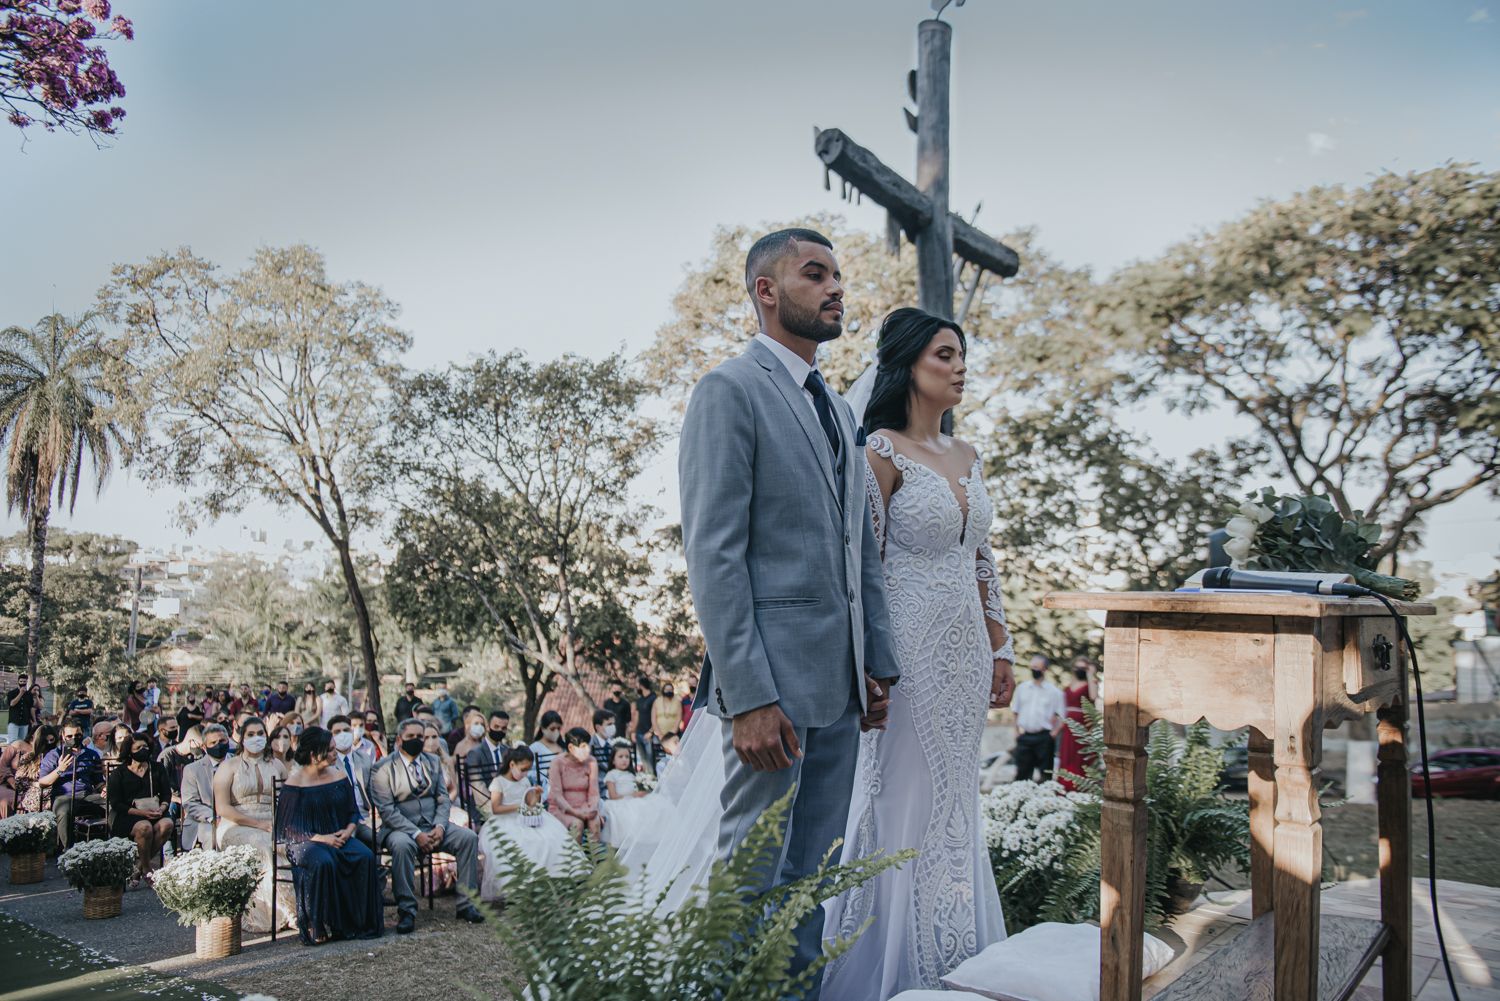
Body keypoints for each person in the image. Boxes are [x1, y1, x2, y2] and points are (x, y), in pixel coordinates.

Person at [672, 226, 902, 995]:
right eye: (816, 274)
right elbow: (715, 556)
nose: (837, 287)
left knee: (813, 877)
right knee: (749, 874)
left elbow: (858, 552)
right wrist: (751, 695)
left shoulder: (838, 410)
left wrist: (876, 660)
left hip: (840, 688)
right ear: (766, 291)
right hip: (770, 690)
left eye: (839, 275)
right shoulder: (727, 392)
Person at [368, 719, 485, 934]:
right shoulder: (382, 769)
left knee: (468, 837)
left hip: (434, 824)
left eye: (419, 737)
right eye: (411, 737)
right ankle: (407, 911)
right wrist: (416, 833)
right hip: (400, 829)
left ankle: (467, 904)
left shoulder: (432, 761)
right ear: (400, 739)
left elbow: (443, 798)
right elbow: (387, 810)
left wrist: (440, 826)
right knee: (402, 847)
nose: (416, 741)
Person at [277, 725, 383, 945]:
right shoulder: (294, 783)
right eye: (332, 750)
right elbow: (287, 828)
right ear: (315, 756)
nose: (337, 753)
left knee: (365, 856)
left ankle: (356, 923)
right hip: (305, 841)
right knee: (324, 862)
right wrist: (322, 838)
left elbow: (352, 812)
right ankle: (318, 922)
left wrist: (348, 830)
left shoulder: (338, 775)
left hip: (339, 835)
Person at [213, 716, 294, 932]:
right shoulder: (228, 767)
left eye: (260, 734)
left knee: (292, 847)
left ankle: (294, 911)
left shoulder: (277, 765)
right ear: (241, 738)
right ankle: (273, 916)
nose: (256, 738)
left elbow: (288, 798)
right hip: (235, 825)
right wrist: (257, 824)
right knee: (266, 847)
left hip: (272, 823)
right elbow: (222, 808)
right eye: (251, 734)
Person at [479, 745, 575, 900]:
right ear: (512, 765)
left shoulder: (524, 781)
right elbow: (496, 808)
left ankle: (546, 881)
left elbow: (530, 803)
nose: (525, 773)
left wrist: (536, 795)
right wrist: (519, 806)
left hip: (526, 818)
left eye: (528, 769)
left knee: (548, 839)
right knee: (522, 843)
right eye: (523, 769)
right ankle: (520, 887)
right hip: (506, 820)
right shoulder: (499, 782)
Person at [105, 733, 174, 886]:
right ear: (129, 751)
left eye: (145, 747)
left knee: (167, 824)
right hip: (127, 814)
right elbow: (116, 803)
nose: (143, 750)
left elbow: (166, 794)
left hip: (154, 810)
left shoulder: (157, 768)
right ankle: (148, 869)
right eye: (138, 748)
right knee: (145, 828)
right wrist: (142, 813)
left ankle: (138, 868)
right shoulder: (119, 773)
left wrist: (162, 809)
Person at [39, 718, 106, 850]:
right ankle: (66, 850)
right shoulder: (55, 754)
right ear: (63, 736)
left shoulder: (91, 754)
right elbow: (42, 782)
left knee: (114, 802)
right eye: (70, 736)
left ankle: (112, 844)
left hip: (87, 795)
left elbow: (98, 781)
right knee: (63, 811)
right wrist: (60, 769)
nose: (74, 738)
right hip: (64, 796)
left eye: (78, 735)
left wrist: (104, 788)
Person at [1012, 655, 1065, 783]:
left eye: (1037, 667)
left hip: (1044, 738)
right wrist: (1016, 731)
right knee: (1022, 774)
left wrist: (1053, 733)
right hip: (1025, 737)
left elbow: (1063, 716)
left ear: (1045, 669)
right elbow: (1015, 711)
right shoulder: (1022, 688)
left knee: (1045, 775)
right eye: (1032, 667)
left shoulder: (1054, 692)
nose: (1033, 669)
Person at [327, 715, 375, 847]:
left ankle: (377, 867)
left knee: (379, 838)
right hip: (342, 819)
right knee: (349, 844)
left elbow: (372, 790)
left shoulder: (363, 758)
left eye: (346, 730)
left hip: (365, 816)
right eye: (337, 732)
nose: (343, 735)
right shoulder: (328, 762)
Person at [547, 727, 602, 843]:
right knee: (577, 824)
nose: (588, 750)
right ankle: (577, 860)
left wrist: (591, 809)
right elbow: (557, 796)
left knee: (595, 823)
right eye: (583, 747)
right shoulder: (557, 763)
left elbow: (594, 792)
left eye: (588, 746)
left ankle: (596, 860)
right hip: (563, 809)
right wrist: (576, 813)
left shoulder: (592, 762)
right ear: (571, 748)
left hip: (585, 806)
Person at [1056, 657, 1099, 791]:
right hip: (1068, 724)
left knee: (1080, 754)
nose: (1080, 670)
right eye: (1078, 667)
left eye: (1083, 668)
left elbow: (1093, 697)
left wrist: (1091, 674)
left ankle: (1081, 787)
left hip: (1083, 723)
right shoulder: (1069, 685)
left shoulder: (1091, 683)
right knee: (1067, 754)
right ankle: (1065, 785)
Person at [462, 711, 513, 824]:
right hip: (483, 809)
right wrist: (496, 812)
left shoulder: (508, 751)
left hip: (508, 805)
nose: (499, 730)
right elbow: (478, 788)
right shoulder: (475, 753)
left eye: (503, 728)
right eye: (496, 726)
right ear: (488, 727)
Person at [179, 724, 224, 850]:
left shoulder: (238, 764)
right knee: (213, 835)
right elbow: (190, 803)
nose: (218, 745)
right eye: (213, 742)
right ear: (204, 747)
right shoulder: (192, 770)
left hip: (234, 818)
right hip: (204, 820)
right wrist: (214, 818)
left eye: (222, 741)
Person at [600, 744, 654, 847]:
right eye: (620, 757)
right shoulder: (612, 774)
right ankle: (629, 841)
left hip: (633, 800)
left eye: (627, 757)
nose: (624, 760)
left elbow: (636, 789)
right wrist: (633, 795)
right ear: (613, 760)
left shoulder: (631, 775)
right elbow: (613, 796)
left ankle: (644, 840)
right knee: (630, 813)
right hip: (619, 802)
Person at [5, 725, 57, 817]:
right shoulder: (28, 758)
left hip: (56, 794)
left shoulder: (57, 756)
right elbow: (20, 783)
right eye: (45, 741)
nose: (48, 744)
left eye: (51, 741)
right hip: (35, 795)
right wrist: (36, 784)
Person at [528, 711, 564, 801]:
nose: (556, 732)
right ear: (543, 729)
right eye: (552, 729)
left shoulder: (564, 746)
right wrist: (545, 773)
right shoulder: (535, 748)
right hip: (546, 792)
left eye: (558, 729)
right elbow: (528, 772)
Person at [589, 710, 616, 793]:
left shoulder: (614, 743)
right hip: (601, 789)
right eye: (609, 724)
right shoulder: (591, 746)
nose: (612, 727)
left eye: (613, 724)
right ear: (598, 727)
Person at [632, 679, 656, 769]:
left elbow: (656, 716)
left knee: (650, 761)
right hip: (639, 732)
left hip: (649, 734)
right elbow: (637, 716)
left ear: (641, 685)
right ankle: (647, 779)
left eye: (638, 685)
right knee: (643, 760)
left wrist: (651, 731)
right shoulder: (640, 700)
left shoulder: (653, 698)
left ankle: (653, 780)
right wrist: (633, 731)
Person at [7, 673, 38, 742]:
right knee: (12, 741)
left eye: (24, 682)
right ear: (18, 682)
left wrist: (33, 721)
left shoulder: (29, 694)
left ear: (27, 682)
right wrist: (21, 693)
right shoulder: (11, 693)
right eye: (21, 681)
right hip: (14, 721)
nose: (22, 683)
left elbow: (30, 708)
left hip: (25, 722)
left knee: (22, 741)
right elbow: (12, 704)